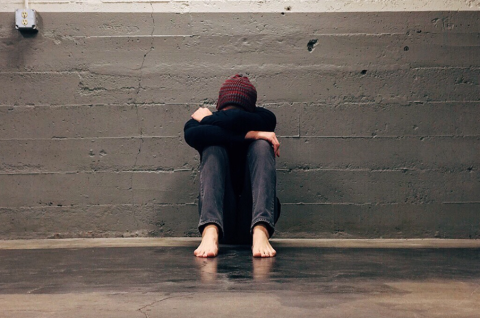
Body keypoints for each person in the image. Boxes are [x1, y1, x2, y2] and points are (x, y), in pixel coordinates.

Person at [184, 74, 281, 258]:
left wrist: (209, 118)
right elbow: (192, 135)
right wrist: (251, 134)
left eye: (239, 110)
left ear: (251, 112)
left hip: (252, 216)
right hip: (221, 219)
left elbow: (236, 118)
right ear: (219, 107)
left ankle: (261, 231)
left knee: (262, 145)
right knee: (212, 146)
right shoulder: (196, 124)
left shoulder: (264, 117)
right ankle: (209, 231)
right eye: (226, 110)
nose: (232, 114)